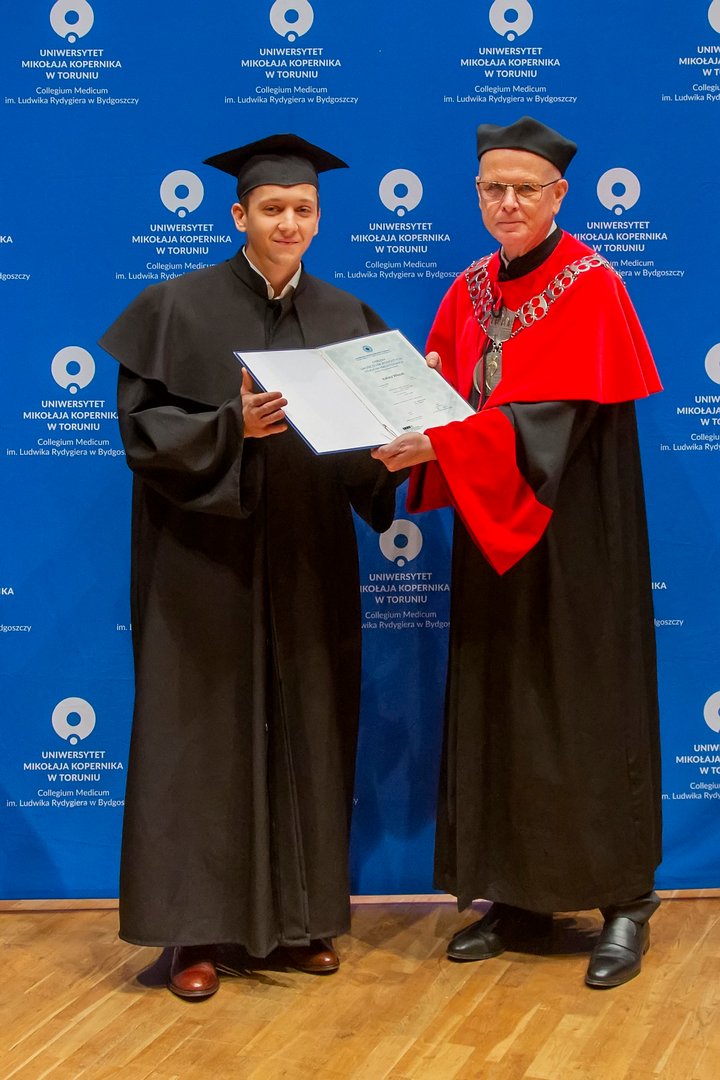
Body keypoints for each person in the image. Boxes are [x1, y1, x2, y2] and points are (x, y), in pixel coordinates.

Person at [100, 133, 401, 1000]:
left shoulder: (348, 318)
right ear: (240, 215)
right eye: (273, 208)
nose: (289, 223)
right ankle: (194, 934)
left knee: (309, 720)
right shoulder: (175, 307)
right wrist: (231, 426)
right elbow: (143, 435)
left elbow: (363, 454)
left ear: (320, 217)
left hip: (308, 558)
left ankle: (302, 921)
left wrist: (397, 446)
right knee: (200, 735)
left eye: (303, 209)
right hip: (203, 563)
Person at [372, 116, 663, 989]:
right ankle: (520, 895)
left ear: (558, 194)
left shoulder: (593, 286)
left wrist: (444, 443)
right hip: (493, 539)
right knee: (501, 703)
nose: (507, 203)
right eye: (492, 188)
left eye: (524, 189)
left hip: (576, 543)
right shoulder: (468, 289)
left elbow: (554, 425)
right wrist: (412, 412)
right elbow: (446, 393)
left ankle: (624, 901)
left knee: (584, 707)